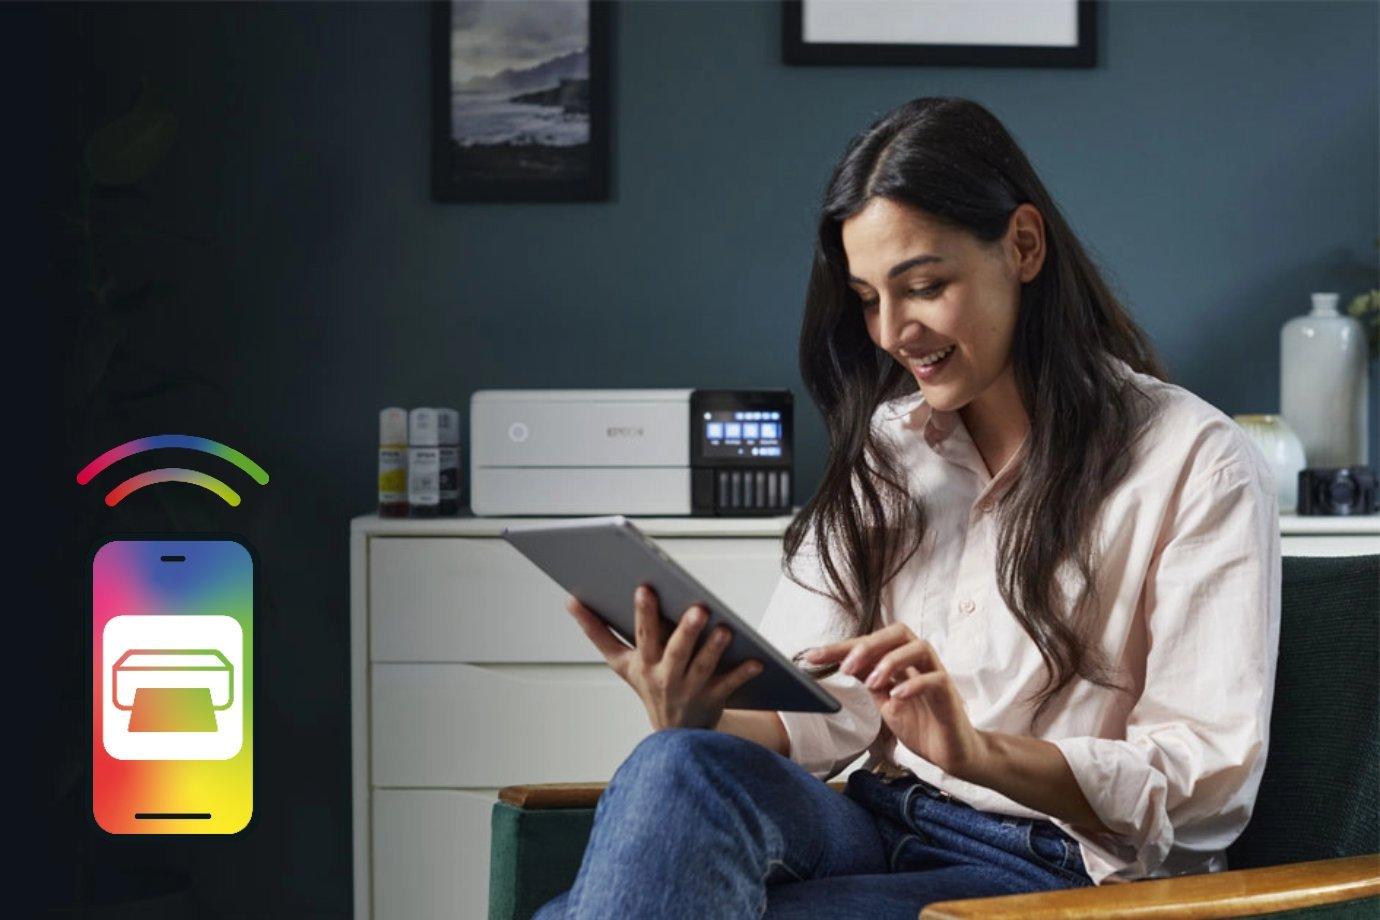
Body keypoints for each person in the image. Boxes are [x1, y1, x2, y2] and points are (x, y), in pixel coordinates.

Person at [531, 96, 1281, 919]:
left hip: (1044, 875)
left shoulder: (1193, 461)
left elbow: (1207, 790)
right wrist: (699, 714)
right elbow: (811, 719)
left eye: (923, 286)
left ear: (1023, 246)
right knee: (676, 763)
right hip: (871, 820)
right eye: (866, 298)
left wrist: (976, 752)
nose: (892, 332)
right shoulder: (890, 447)